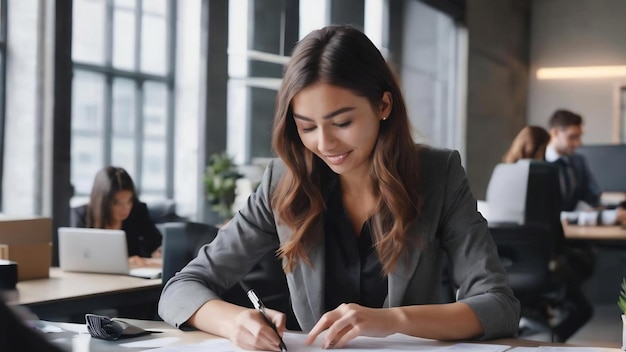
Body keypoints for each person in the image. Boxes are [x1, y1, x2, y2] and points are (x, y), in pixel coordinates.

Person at [159, 25, 519, 350]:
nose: (325, 143)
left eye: (342, 122)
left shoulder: (438, 174)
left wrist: (391, 321)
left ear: (383, 105)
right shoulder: (283, 182)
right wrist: (234, 321)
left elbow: (498, 305)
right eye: (306, 127)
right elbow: (180, 289)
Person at [489, 125, 593, 342]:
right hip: (541, 267)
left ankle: (531, 321)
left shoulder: (500, 172)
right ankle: (549, 337)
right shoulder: (546, 173)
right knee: (583, 307)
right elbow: (555, 229)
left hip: (503, 267)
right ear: (543, 147)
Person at [545, 109, 626, 226]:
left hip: (575, 231)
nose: (578, 144)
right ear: (555, 133)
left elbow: (592, 200)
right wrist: (605, 216)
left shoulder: (578, 161)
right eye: (572, 137)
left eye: (579, 137)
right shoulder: (538, 162)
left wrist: (616, 209)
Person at [71, 166, 163, 265]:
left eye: (129, 201)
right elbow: (77, 257)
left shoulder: (138, 211)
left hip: (134, 277)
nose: (125, 208)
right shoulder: (82, 215)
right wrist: (124, 262)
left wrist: (158, 253)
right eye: (116, 203)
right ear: (102, 202)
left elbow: (156, 245)